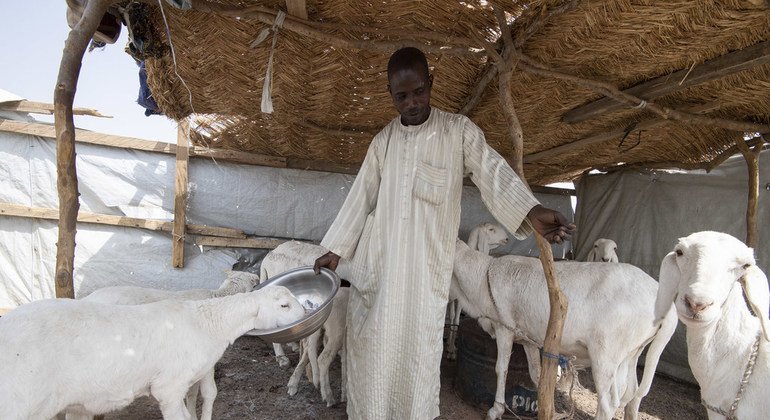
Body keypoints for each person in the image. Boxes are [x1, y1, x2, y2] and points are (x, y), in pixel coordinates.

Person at [313, 47, 575, 419]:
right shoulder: (382, 142)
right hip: (381, 274)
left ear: (431, 84)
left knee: (416, 360)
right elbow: (360, 198)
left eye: (419, 91)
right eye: (401, 96)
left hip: (424, 279)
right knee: (372, 352)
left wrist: (531, 211)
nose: (412, 102)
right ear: (391, 96)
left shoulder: (457, 132)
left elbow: (492, 172)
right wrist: (334, 250)